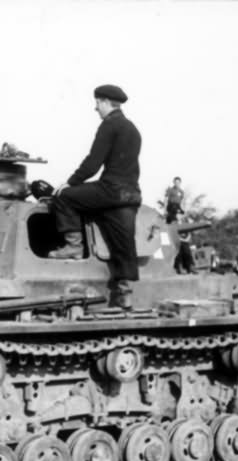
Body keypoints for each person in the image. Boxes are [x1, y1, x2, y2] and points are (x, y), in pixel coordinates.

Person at [48, 84, 142, 310]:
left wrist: (70, 182)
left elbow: (93, 162)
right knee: (124, 242)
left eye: (97, 103)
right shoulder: (132, 128)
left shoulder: (109, 125)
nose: (96, 108)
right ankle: (125, 293)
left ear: (105, 102)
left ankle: (73, 246)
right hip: (131, 194)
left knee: (64, 197)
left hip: (111, 189)